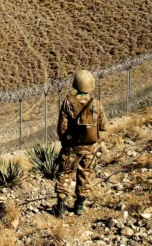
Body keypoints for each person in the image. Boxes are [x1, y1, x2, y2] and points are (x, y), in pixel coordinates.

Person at [55, 69, 108, 217]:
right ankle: (79, 205)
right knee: (86, 174)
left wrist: (66, 143)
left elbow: (62, 129)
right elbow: (104, 126)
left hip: (71, 147)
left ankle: (60, 206)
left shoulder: (68, 103)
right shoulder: (96, 104)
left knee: (65, 174)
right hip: (91, 148)